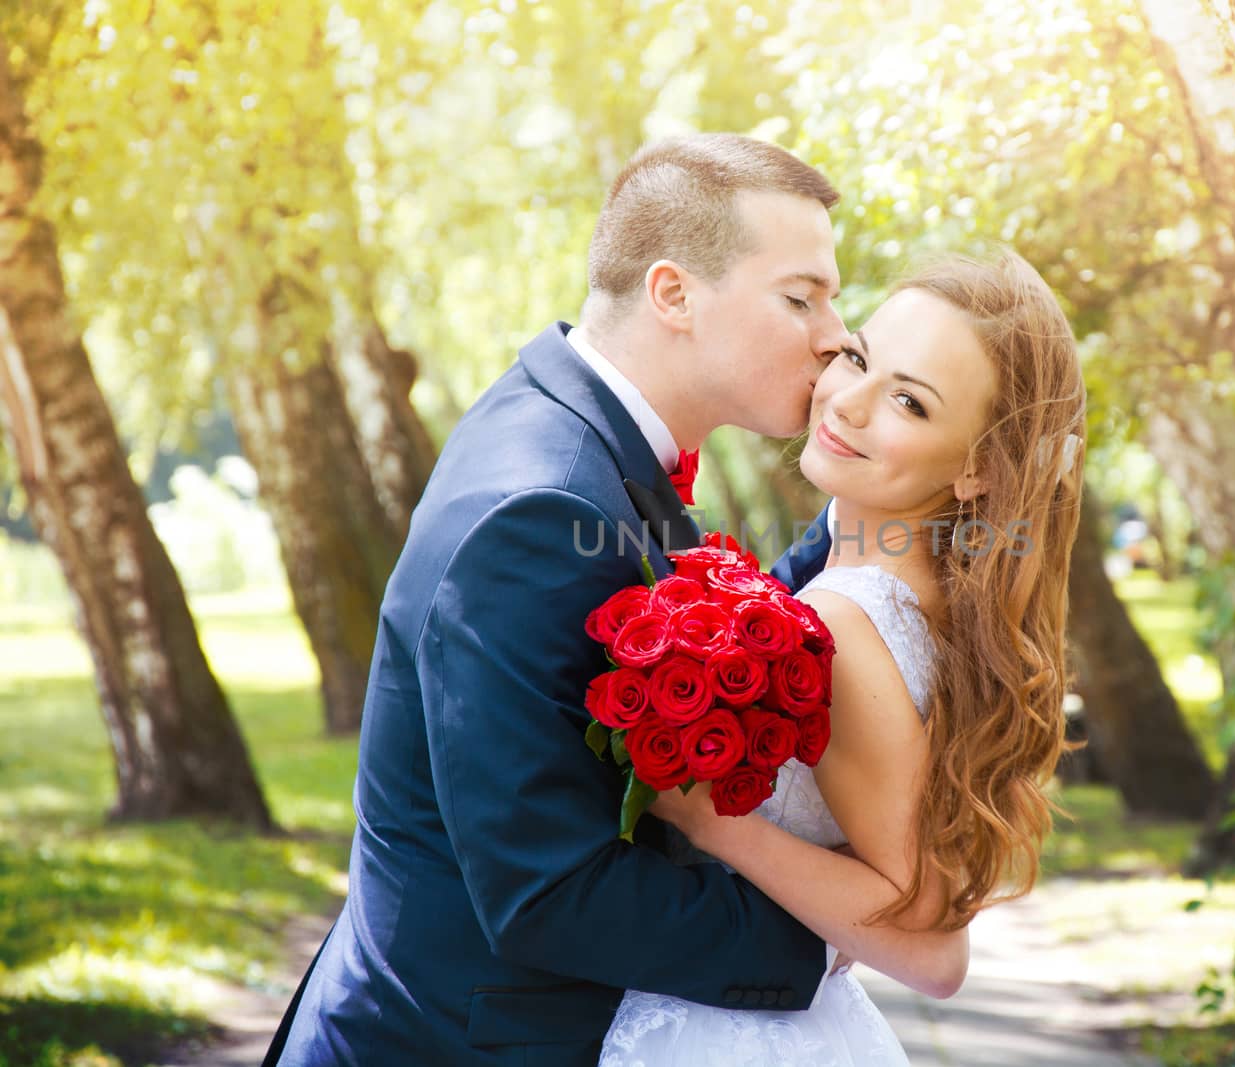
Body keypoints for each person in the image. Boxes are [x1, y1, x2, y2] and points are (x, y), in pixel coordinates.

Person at [266, 133, 854, 1065]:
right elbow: (547, 889)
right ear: (674, 295)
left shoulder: (573, 426)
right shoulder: (539, 504)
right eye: (801, 297)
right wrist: (829, 930)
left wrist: (859, 511)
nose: (835, 334)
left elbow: (698, 637)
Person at [600, 247, 1088, 1064]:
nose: (850, 403)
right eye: (858, 356)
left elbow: (931, 946)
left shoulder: (846, 621)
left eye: (908, 400)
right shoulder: (918, 591)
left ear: (978, 469)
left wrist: (711, 820)